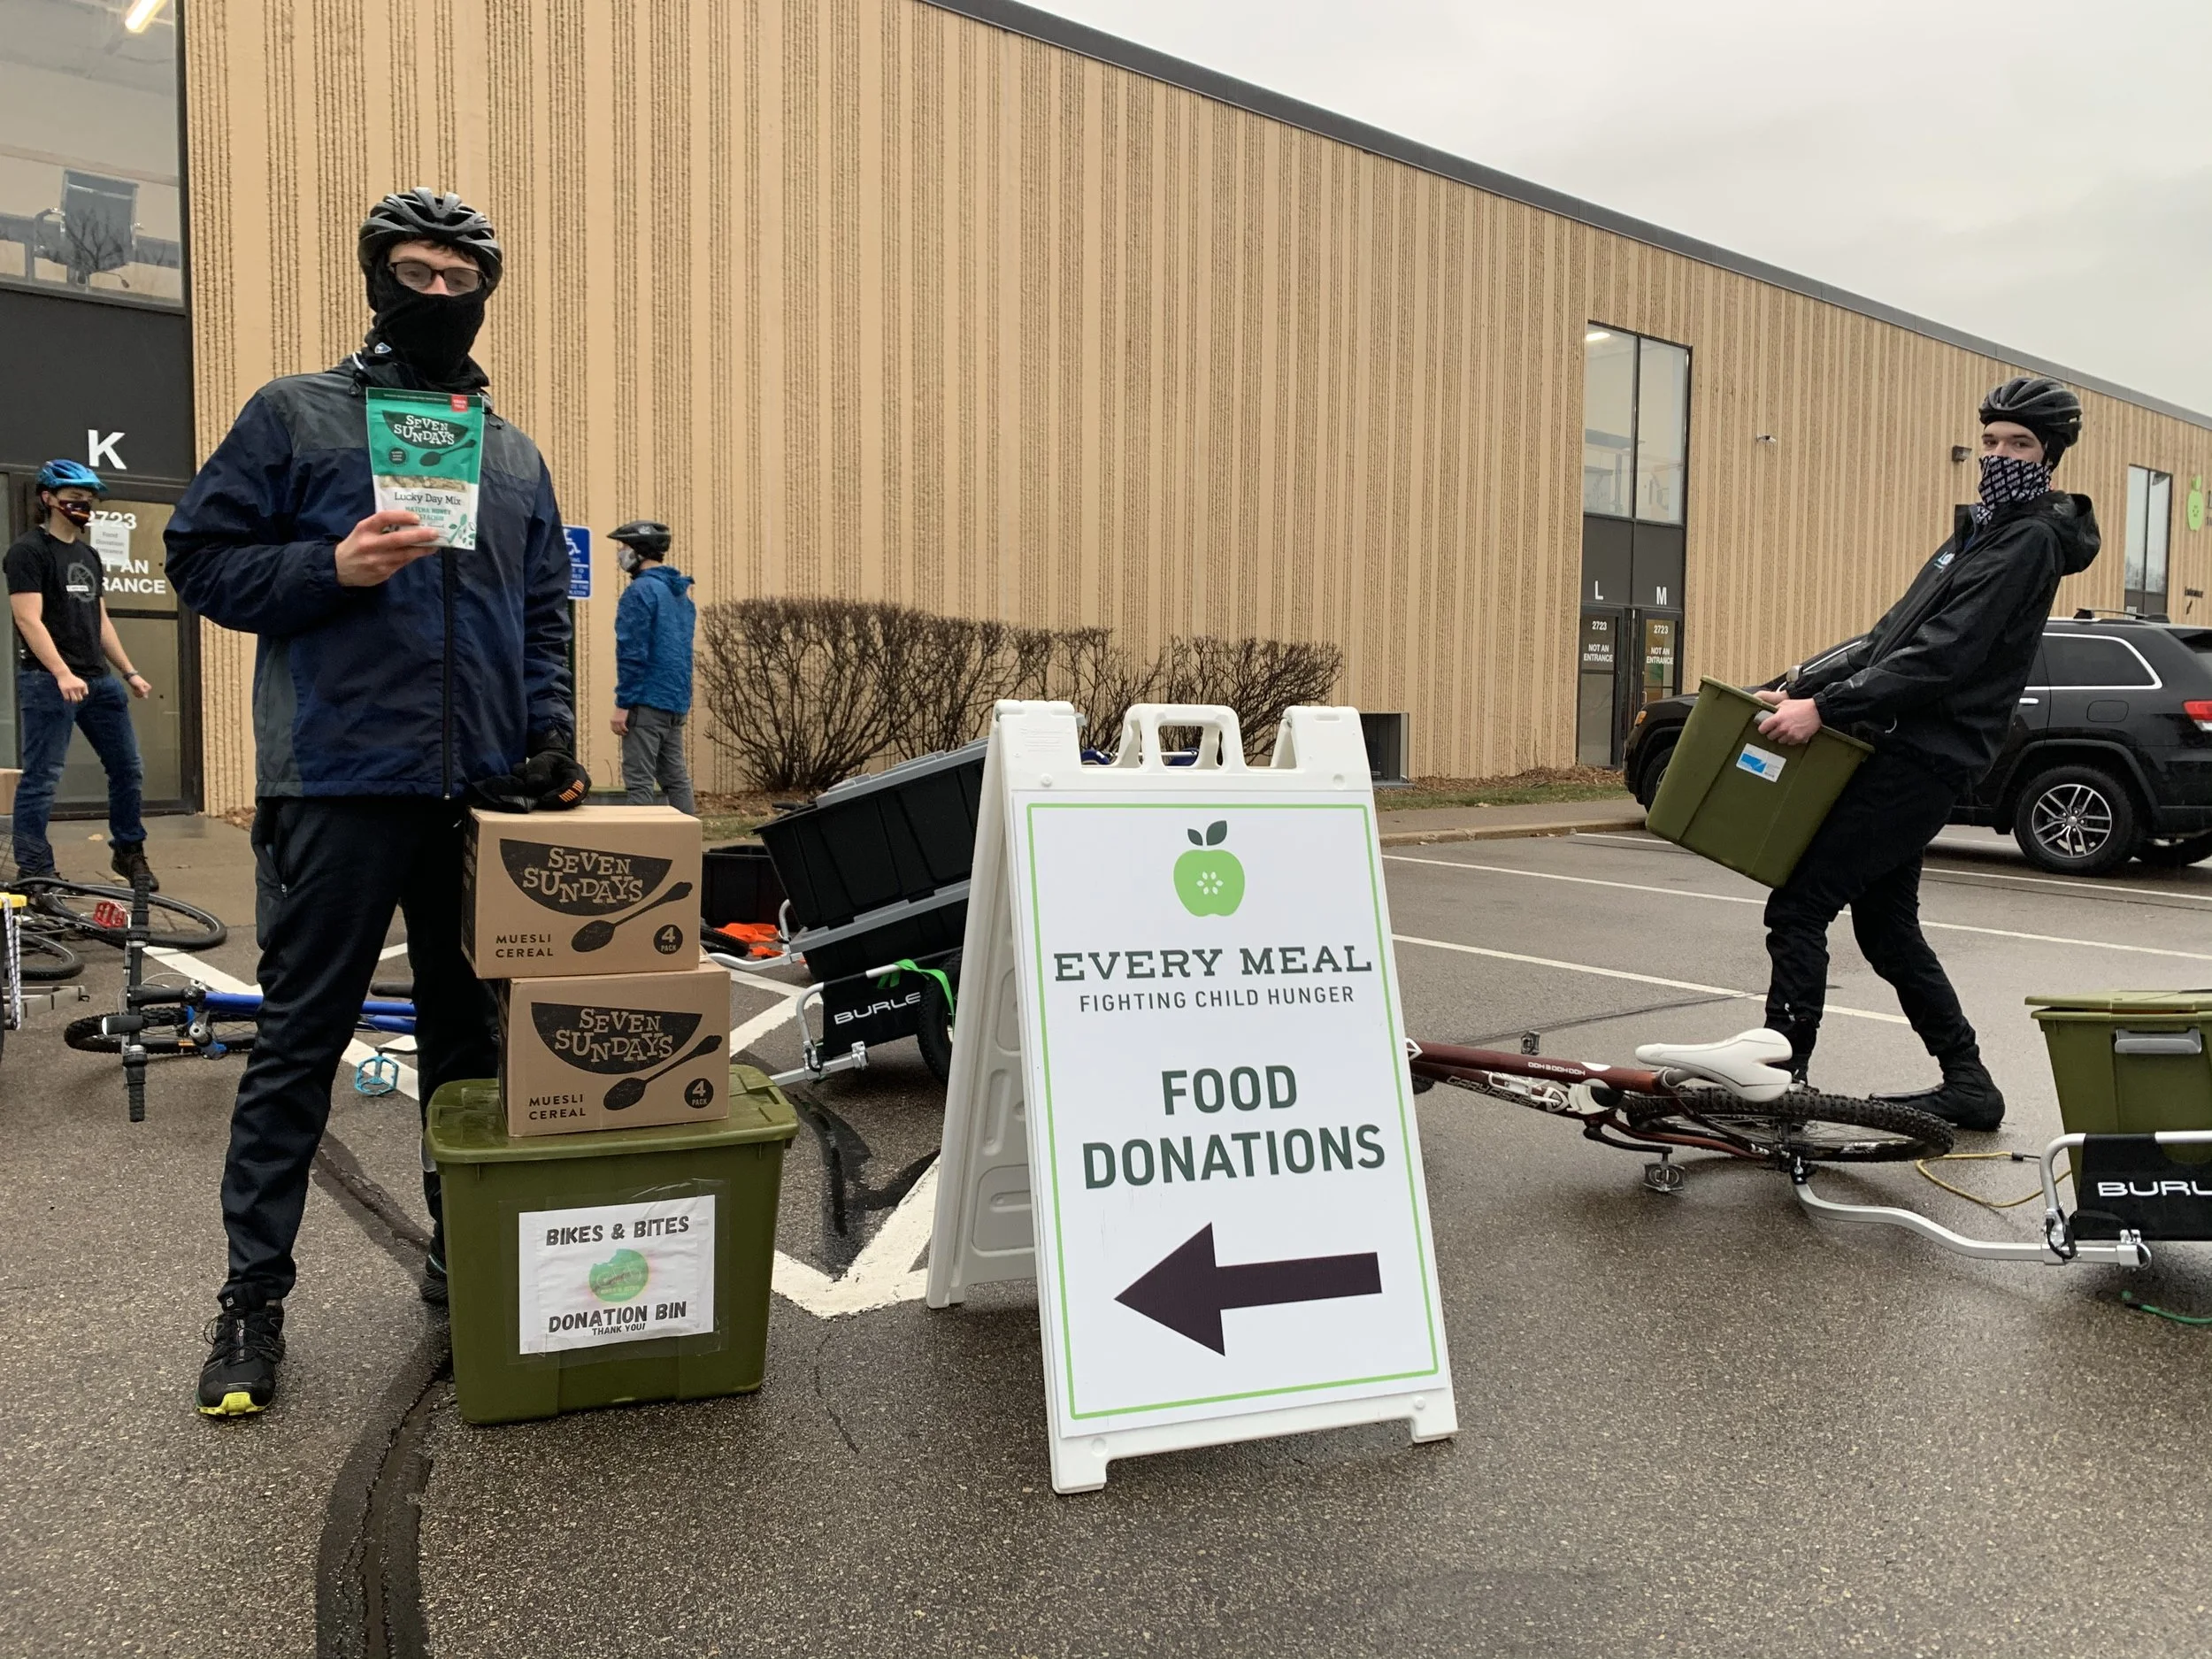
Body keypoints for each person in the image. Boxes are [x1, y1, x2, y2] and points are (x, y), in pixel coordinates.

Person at [166, 189, 585, 1418]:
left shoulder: (511, 452)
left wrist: (547, 726)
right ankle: (253, 1297)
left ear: (487, 289)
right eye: (415, 273)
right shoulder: (296, 415)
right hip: (339, 782)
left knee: (471, 1050)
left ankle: (466, 1272)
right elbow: (200, 557)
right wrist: (326, 566)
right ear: (375, 277)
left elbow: (543, 610)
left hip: (476, 798)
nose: (438, 296)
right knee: (299, 1044)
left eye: (460, 277)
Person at [1754, 377, 2099, 1132]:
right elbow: (1891, 635)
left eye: (2021, 445)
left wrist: (1829, 710)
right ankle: (1968, 1083)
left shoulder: (2030, 539)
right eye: (1992, 440)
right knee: (1886, 928)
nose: (2000, 454)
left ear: (2051, 456)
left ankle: (1781, 1083)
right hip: (1902, 745)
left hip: (1923, 754)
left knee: (1800, 903)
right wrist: (1800, 684)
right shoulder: (1979, 530)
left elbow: (1945, 655)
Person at [5, 459, 157, 887]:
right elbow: (28, 619)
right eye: (74, 500)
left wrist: (128, 672)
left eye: (89, 501)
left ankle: (128, 852)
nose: (83, 507)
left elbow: (101, 621)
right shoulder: (27, 552)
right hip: (49, 682)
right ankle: (34, 871)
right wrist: (62, 672)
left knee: (128, 768)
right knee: (42, 778)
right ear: (48, 499)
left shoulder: (89, 555)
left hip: (100, 682)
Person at [608, 519, 697, 816]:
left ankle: (641, 852)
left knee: (639, 783)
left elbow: (633, 653)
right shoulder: (678, 593)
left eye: (624, 547)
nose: (620, 553)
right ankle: (689, 849)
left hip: (645, 701)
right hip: (675, 702)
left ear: (639, 551)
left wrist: (624, 703)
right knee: (676, 779)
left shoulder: (640, 592)